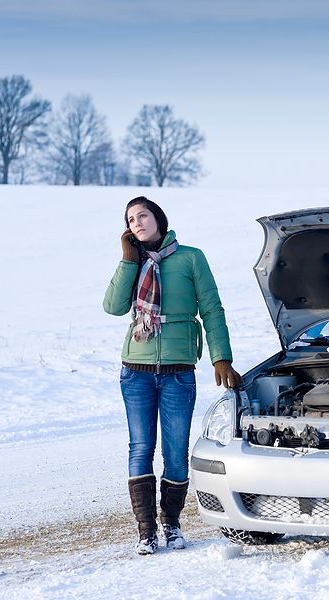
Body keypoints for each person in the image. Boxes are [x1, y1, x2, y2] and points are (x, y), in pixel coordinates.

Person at [103, 196, 242, 555]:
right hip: (135, 370)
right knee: (140, 449)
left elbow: (211, 309)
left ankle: (173, 525)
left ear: (158, 218)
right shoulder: (133, 262)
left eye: (142, 215)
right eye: (130, 219)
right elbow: (114, 307)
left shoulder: (191, 258)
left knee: (176, 452)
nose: (137, 223)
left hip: (179, 371)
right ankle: (146, 531)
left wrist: (220, 358)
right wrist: (127, 260)